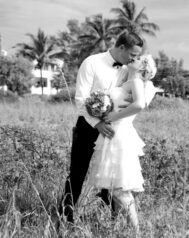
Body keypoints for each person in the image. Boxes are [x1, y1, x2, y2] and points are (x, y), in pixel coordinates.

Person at [58, 31, 144, 223]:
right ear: (121, 47)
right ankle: (65, 219)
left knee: (111, 175)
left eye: (137, 56)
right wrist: (97, 123)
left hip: (113, 129)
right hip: (89, 126)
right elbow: (81, 100)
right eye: (132, 54)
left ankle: (111, 221)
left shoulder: (128, 69)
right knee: (77, 174)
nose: (134, 59)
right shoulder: (92, 63)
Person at [87, 54, 158, 233]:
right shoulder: (129, 79)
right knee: (115, 187)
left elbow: (139, 105)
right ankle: (117, 229)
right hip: (115, 133)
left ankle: (136, 233)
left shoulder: (135, 80)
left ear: (143, 67)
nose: (135, 57)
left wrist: (113, 116)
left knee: (120, 189)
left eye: (139, 58)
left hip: (119, 135)